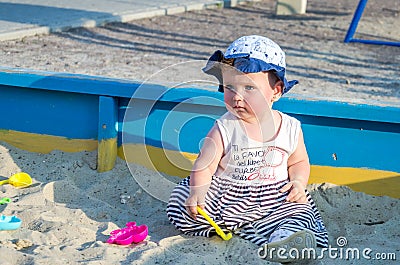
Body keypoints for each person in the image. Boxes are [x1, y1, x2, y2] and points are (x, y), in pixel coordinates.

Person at [166, 35, 328, 262]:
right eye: (230, 87)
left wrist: (298, 183)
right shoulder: (225, 127)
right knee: (180, 200)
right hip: (227, 195)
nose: (237, 97)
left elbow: (298, 162)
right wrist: (198, 191)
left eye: (249, 87)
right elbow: (205, 164)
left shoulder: (290, 127)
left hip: (274, 197)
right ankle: (245, 230)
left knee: (300, 211)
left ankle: (284, 240)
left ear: (276, 91)